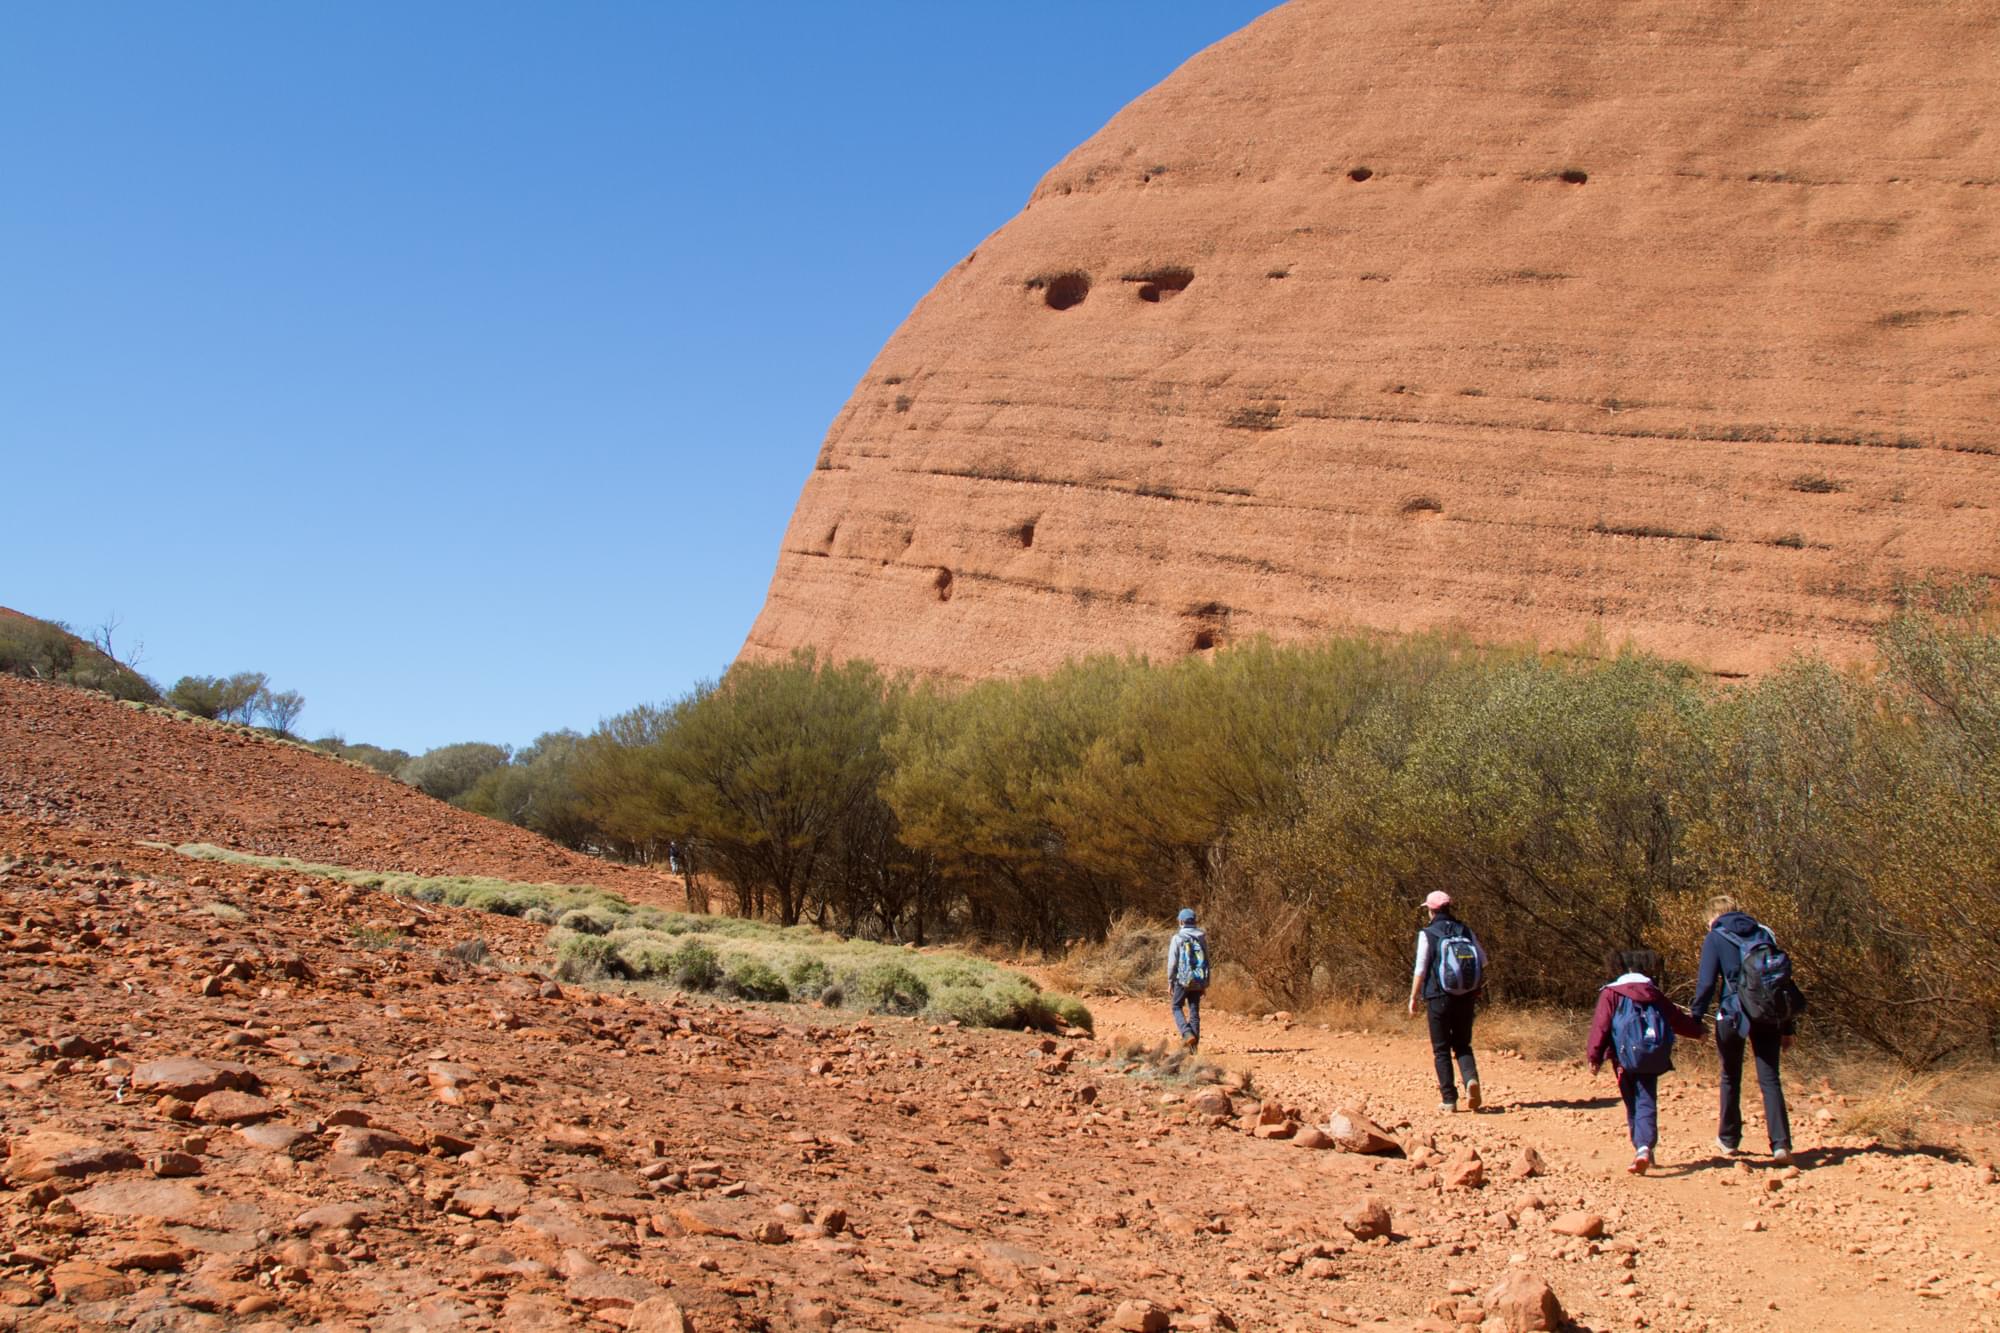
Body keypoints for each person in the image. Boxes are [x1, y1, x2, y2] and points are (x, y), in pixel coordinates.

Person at [1690, 896, 1797, 1164]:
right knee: (1770, 1077)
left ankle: (1729, 1139)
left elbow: (1705, 984)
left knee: (1730, 1074)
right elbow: (1780, 982)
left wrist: (1695, 1018)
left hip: (1733, 1013)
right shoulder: (1764, 933)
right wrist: (1787, 1026)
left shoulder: (1715, 937)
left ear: (1713, 917)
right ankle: (1781, 1144)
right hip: (1768, 1014)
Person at [1586, 948, 1705, 1174]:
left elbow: (1601, 1026)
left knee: (1632, 1101)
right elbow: (1676, 1019)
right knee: (1646, 1098)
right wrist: (1698, 1031)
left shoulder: (1611, 993)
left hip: (1624, 1058)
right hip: (1652, 1055)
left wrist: (1594, 1056)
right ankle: (1645, 1146)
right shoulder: (1654, 993)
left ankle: (1641, 1147)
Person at [1407, 891, 1486, 1112]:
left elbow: (1420, 968)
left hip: (1437, 996)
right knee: (1462, 1044)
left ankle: (1449, 1099)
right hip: (1466, 996)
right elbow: (1484, 960)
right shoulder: (1465, 930)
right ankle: (1471, 1079)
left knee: (1441, 1049)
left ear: (1431, 910)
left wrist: (1413, 997)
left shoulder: (1428, 933)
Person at [1166, 907, 1209, 1051]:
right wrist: (1205, 983)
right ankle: (1193, 1048)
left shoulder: (1177, 938)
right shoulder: (1201, 937)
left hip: (1182, 979)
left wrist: (1170, 981)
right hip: (1198, 978)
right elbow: (1206, 960)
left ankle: (1186, 1032)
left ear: (1182, 921)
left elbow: (1172, 963)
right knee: (1194, 1010)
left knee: (1176, 1006)